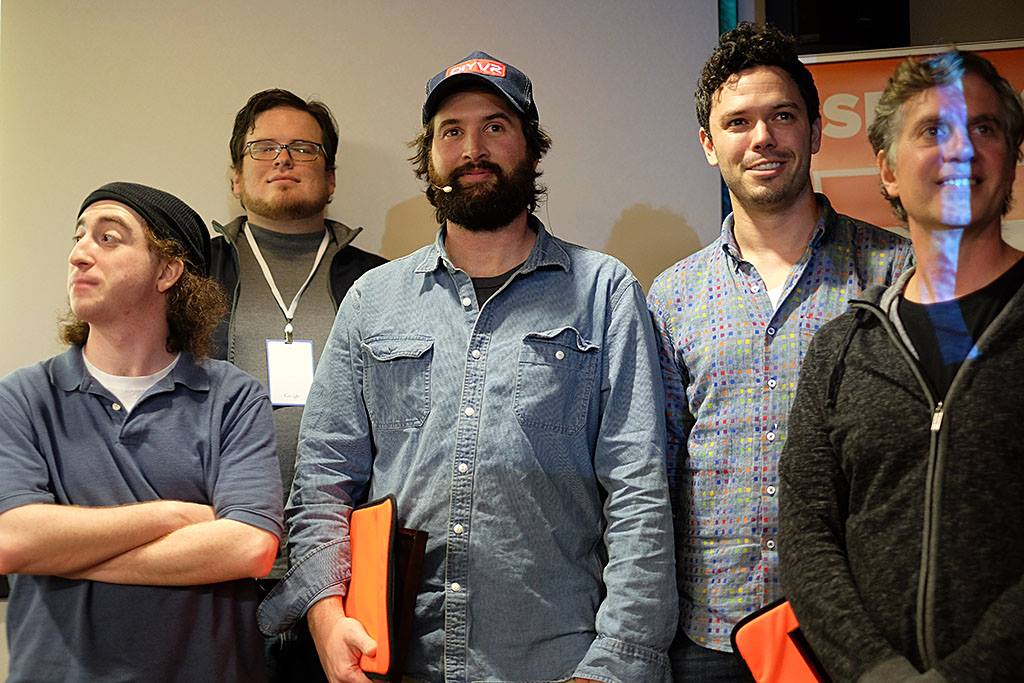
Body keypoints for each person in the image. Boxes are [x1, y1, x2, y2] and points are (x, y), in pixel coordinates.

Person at [258, 51, 677, 683]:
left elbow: (640, 494)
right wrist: (322, 615)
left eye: (495, 127)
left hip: (560, 664)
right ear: (428, 156)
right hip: (393, 660)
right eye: (450, 131)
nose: (472, 148)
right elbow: (322, 481)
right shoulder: (373, 301)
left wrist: (614, 664)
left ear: (531, 149)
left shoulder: (605, 292)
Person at [646, 22, 913, 681]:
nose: (761, 138)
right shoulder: (673, 295)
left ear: (815, 131)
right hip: (713, 637)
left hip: (860, 634)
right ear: (709, 145)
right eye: (737, 122)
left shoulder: (895, 270)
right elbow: (656, 470)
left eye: (782, 116)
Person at [780, 49, 1024, 682]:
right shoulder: (842, 348)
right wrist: (874, 670)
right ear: (886, 169)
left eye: (985, 128)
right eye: (933, 130)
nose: (962, 149)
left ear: (1012, 157)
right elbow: (807, 535)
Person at [0, 182, 283, 682]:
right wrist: (172, 515)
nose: (79, 254)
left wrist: (62, 552)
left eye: (108, 238)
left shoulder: (232, 397)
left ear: (168, 271)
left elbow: (249, 548)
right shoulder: (23, 396)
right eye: (79, 236)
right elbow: (10, 540)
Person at [210, 89, 386, 681]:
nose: (283, 158)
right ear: (236, 177)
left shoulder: (383, 283)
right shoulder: (188, 274)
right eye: (264, 147)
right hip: (219, 568)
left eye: (303, 148)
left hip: (345, 577)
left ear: (331, 178)